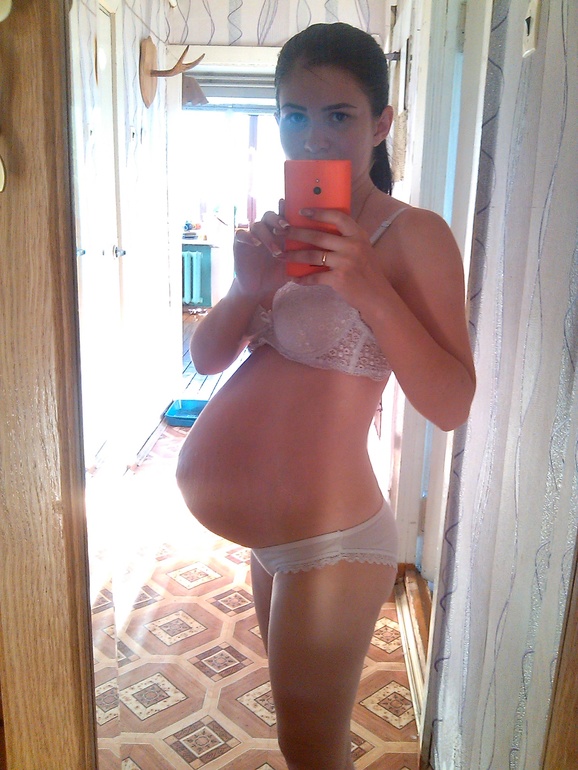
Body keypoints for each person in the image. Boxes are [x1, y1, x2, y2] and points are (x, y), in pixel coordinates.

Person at [176, 22, 475, 770]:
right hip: (269, 541)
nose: (312, 137)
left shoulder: (414, 235)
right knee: (299, 740)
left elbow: (452, 403)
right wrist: (246, 288)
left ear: (380, 123)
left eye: (338, 115)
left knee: (310, 751)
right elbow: (205, 360)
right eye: (294, 115)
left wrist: (370, 288)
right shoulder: (282, 230)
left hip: (333, 543)